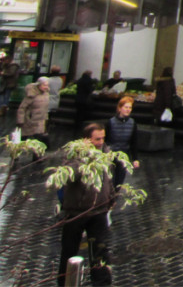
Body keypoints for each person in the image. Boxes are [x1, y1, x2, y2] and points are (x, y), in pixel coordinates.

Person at [57, 123, 115, 287]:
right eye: (97, 139)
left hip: (99, 210)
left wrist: (111, 196)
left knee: (99, 251)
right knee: (69, 251)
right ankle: (65, 282)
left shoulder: (105, 151)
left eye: (103, 138)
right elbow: (67, 176)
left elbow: (108, 177)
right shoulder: (74, 153)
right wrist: (85, 160)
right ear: (86, 139)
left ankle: (102, 283)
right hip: (77, 211)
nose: (100, 142)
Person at [104, 96, 140, 187]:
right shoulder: (111, 122)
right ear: (120, 108)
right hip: (111, 154)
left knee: (119, 182)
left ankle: (115, 197)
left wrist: (135, 158)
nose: (128, 110)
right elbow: (106, 139)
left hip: (124, 155)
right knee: (109, 180)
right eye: (126, 107)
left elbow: (134, 142)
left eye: (130, 107)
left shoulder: (132, 123)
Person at [17, 76, 51, 150]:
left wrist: (46, 119)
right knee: (23, 139)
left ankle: (37, 158)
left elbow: (45, 109)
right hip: (29, 121)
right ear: (39, 85)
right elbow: (22, 108)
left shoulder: (46, 94)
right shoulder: (32, 94)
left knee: (38, 141)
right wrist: (20, 121)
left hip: (40, 121)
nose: (46, 87)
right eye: (44, 85)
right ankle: (16, 154)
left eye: (47, 85)